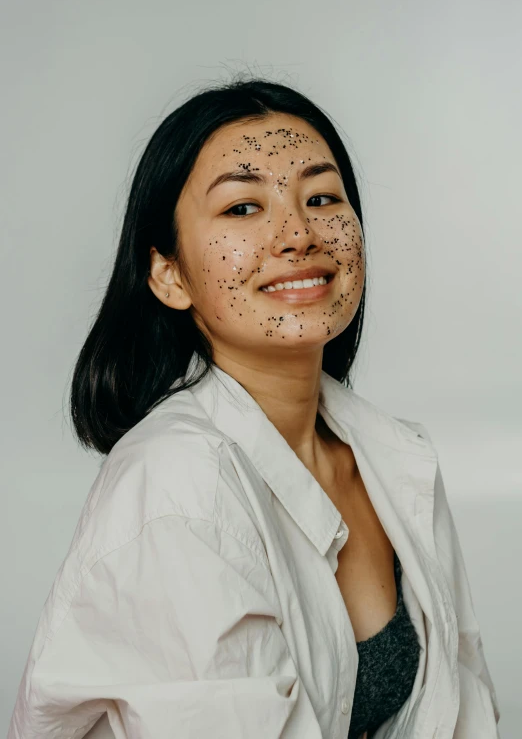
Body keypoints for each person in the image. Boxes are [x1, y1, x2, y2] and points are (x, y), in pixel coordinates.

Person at [8, 77, 500, 739]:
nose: (297, 233)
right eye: (243, 208)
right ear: (168, 274)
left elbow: (465, 712)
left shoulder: (396, 456)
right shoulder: (177, 487)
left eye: (322, 197)